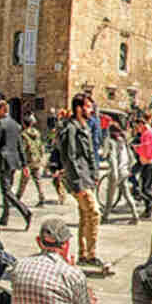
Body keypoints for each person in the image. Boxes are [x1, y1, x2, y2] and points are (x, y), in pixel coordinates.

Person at [62, 94, 108, 270]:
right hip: (79, 179)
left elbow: (90, 152)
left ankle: (83, 254)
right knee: (95, 213)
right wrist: (77, 182)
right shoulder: (72, 128)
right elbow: (70, 157)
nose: (91, 110)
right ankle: (91, 254)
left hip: (87, 177)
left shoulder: (85, 126)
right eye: (88, 106)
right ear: (79, 108)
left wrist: (94, 174)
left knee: (84, 215)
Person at [0, 101, 31, 231]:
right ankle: (5, 217)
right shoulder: (16, 125)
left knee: (6, 191)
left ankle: (25, 212)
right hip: (15, 161)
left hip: (5, 161)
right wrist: (24, 164)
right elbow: (20, 146)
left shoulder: (1, 124)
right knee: (7, 190)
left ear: (2, 109)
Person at [17, 114, 48, 207]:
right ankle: (42, 198)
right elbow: (41, 146)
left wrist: (21, 161)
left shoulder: (23, 134)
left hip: (28, 159)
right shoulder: (37, 133)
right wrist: (42, 156)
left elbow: (22, 148)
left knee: (24, 180)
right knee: (38, 179)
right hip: (37, 159)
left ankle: (17, 197)